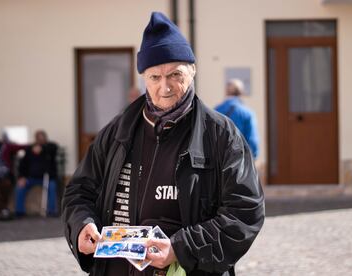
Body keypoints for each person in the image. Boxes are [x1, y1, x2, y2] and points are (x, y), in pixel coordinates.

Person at [62, 12, 264, 276]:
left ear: (192, 71)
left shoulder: (221, 135)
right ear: (144, 78)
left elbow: (245, 211)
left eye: (175, 75)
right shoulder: (117, 131)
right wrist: (81, 224)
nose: (165, 87)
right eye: (155, 77)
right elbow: (79, 190)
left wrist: (181, 249)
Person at [15, 130, 58, 217]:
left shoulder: (50, 148)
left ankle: (51, 211)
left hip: (47, 178)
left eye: (42, 139)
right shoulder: (29, 150)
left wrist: (42, 148)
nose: (41, 141)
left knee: (52, 187)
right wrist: (22, 177)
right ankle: (19, 211)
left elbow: (54, 148)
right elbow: (22, 165)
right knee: (20, 187)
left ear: (46, 139)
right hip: (31, 178)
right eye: (39, 139)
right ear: (36, 139)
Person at [215, 79, 260, 159]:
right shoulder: (247, 113)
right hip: (240, 161)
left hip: (220, 161)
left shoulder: (216, 111)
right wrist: (252, 158)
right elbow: (253, 142)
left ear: (226, 92)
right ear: (241, 93)